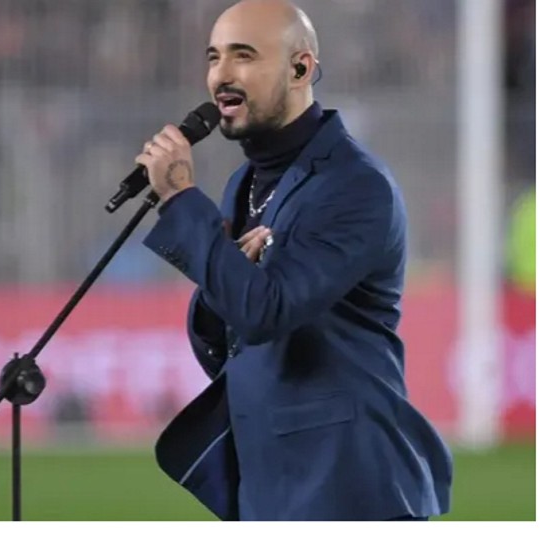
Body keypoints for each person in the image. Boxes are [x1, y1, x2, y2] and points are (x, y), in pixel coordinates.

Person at [134, 0, 453, 521]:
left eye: (243, 56)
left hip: (347, 486)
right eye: (214, 57)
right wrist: (230, 274)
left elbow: (265, 313)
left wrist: (179, 198)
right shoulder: (246, 182)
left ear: (300, 68)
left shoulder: (355, 186)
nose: (222, 75)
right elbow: (229, 330)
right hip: (270, 482)